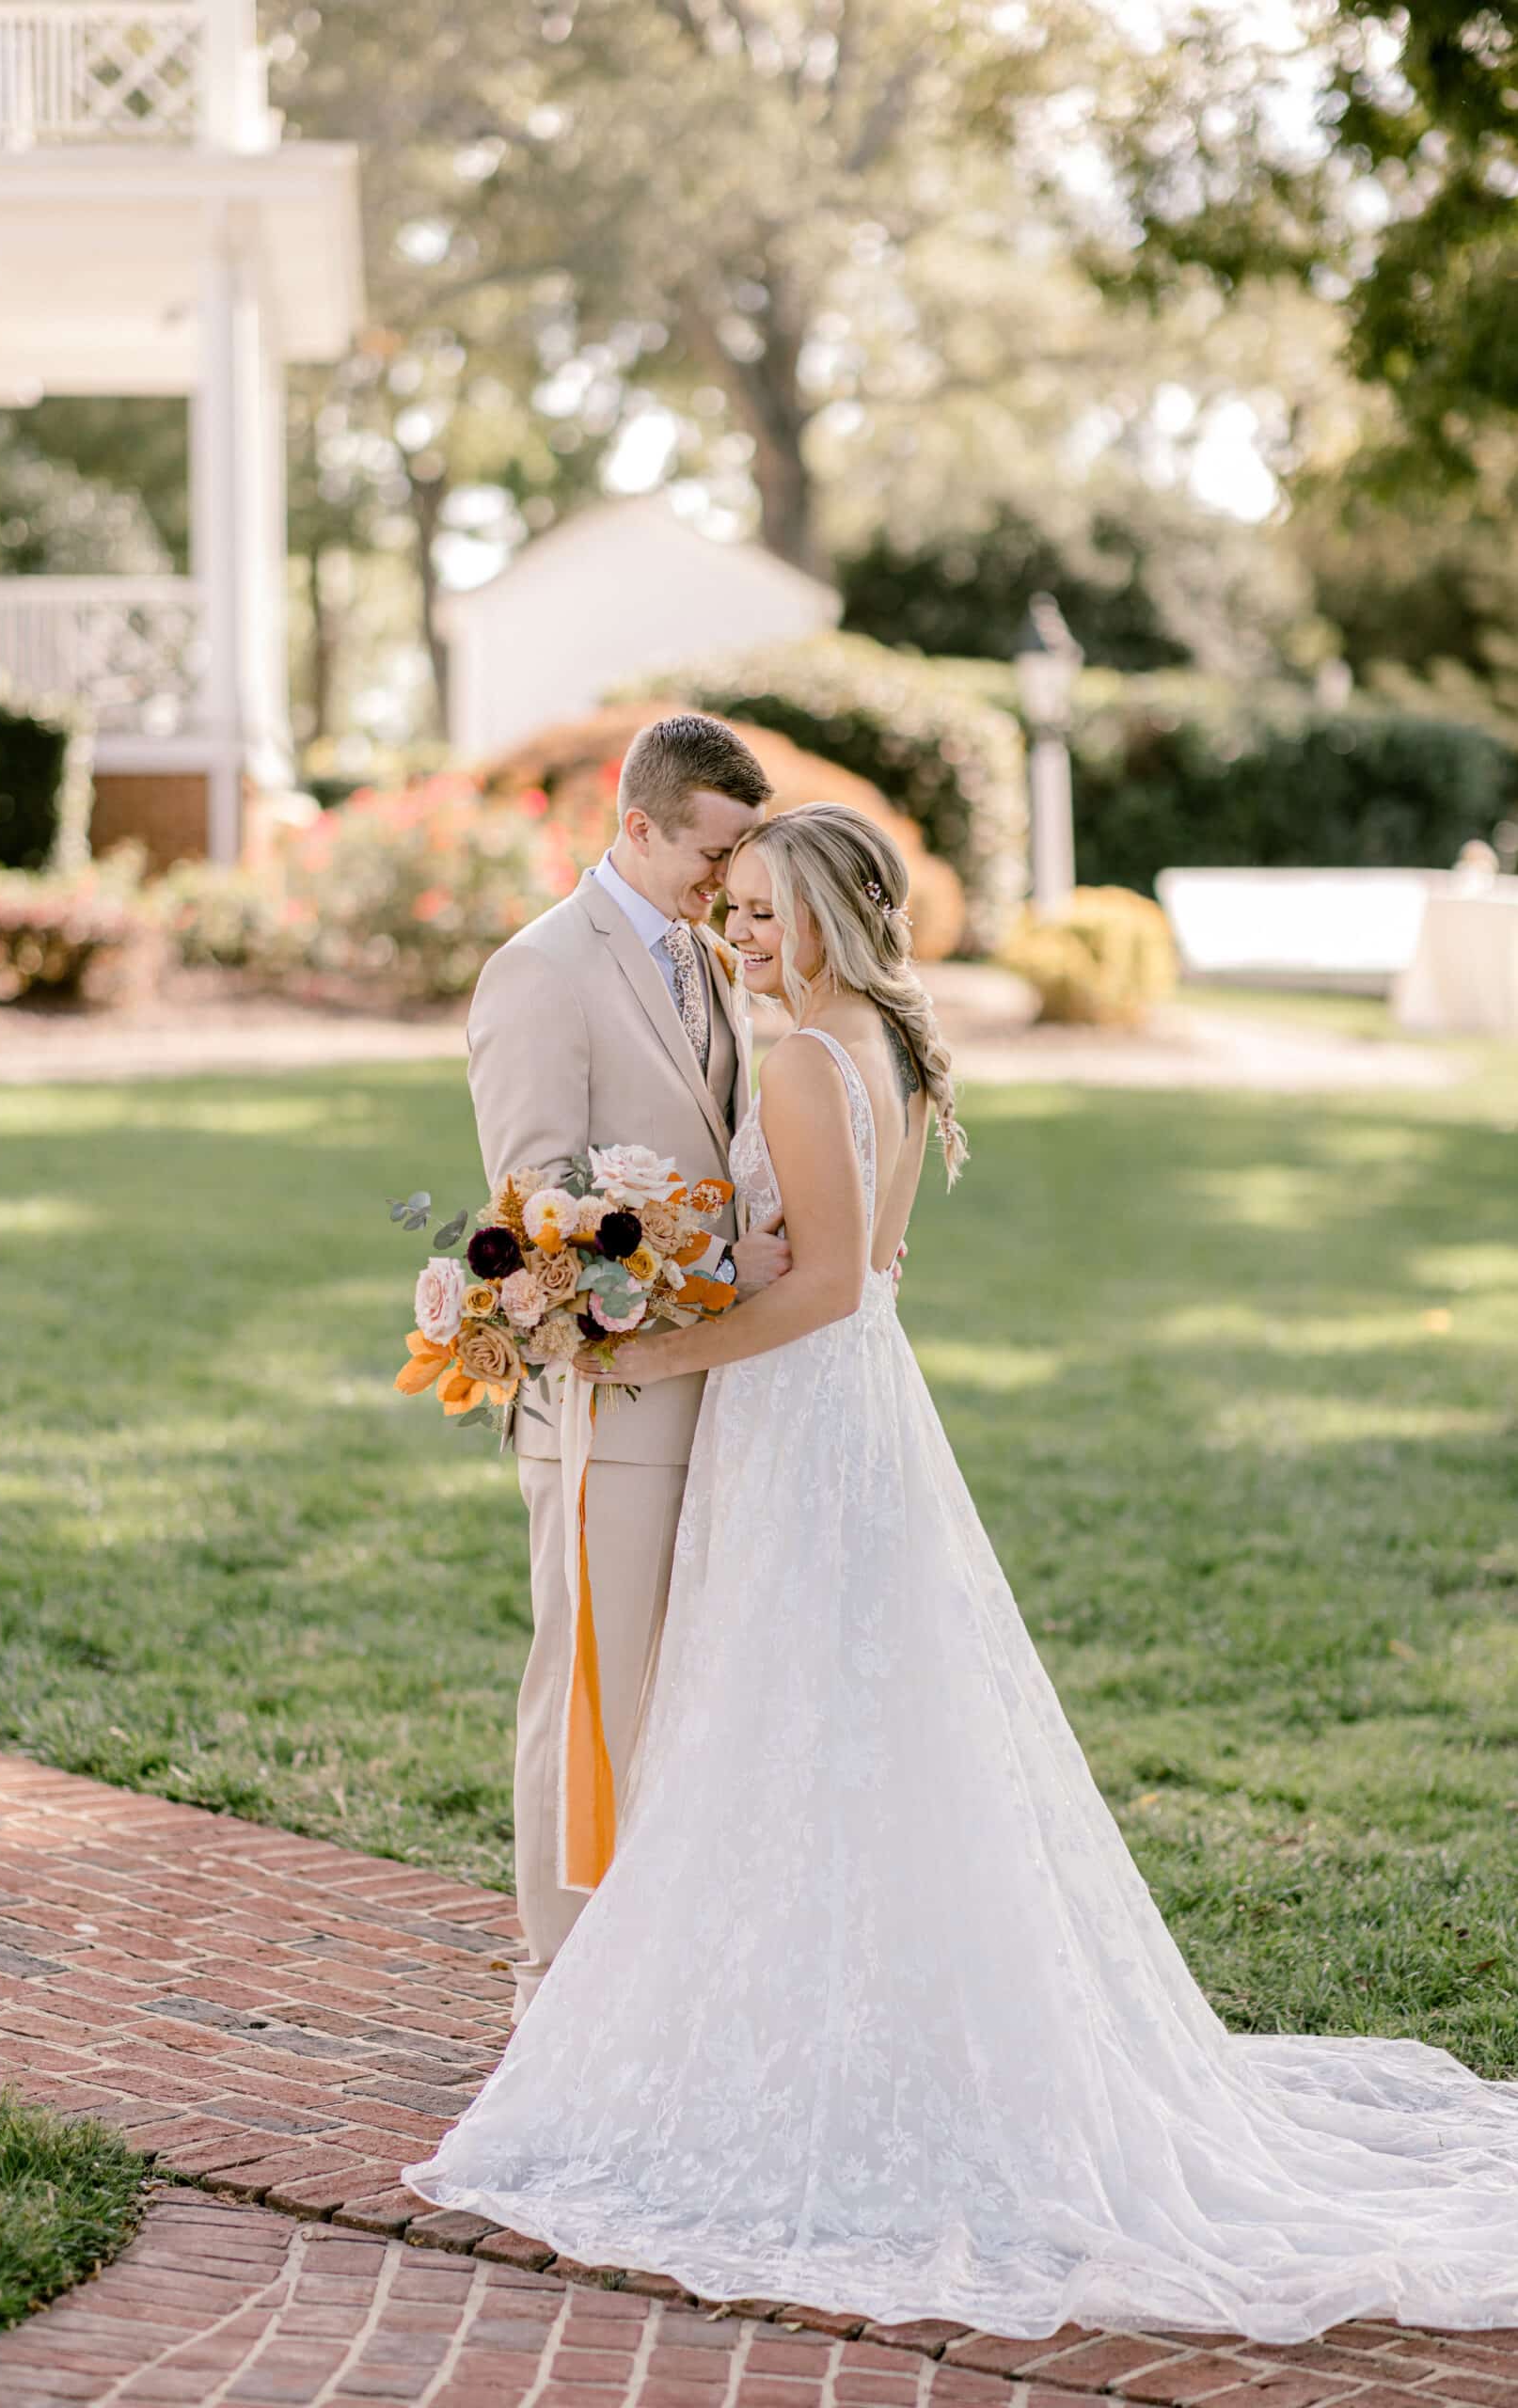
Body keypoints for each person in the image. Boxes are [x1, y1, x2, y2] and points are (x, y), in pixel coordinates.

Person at [407, 800, 1518, 2341]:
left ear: (830, 918)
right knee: (854, 1724)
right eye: (734, 913)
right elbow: (875, 1267)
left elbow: (829, 1288)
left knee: (782, 1712)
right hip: (855, 1414)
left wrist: (648, 1346)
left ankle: (800, 2046)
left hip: (801, 1413)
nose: (744, 937)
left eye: (767, 914)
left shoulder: (803, 1055)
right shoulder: (892, 1045)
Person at [465, 712, 790, 2024]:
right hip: (609, 1397)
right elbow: (533, 1207)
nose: (727, 886)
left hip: (718, 1384)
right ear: (637, 824)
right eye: (708, 857)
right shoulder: (542, 971)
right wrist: (723, 1254)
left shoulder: (705, 964)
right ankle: (558, 1981)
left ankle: (648, 1968)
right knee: (588, 1684)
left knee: (675, 1691)